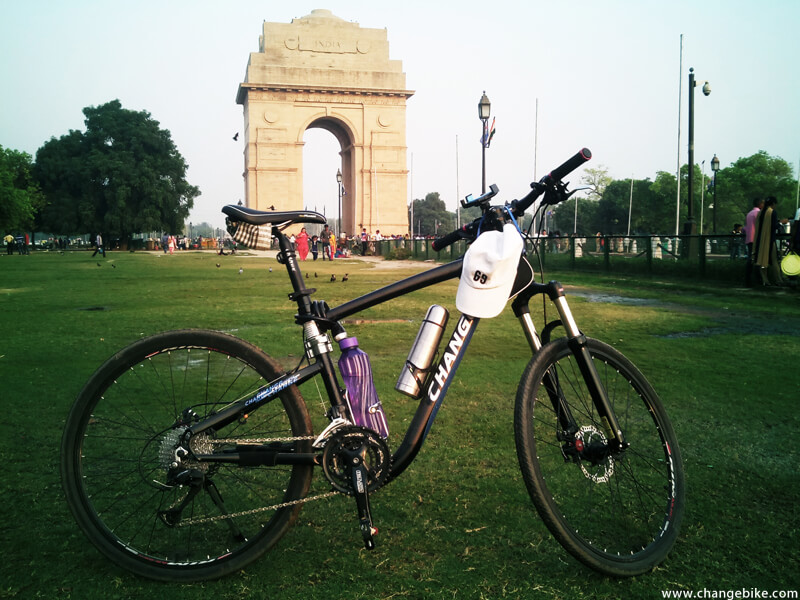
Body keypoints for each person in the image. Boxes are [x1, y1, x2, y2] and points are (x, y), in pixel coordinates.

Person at [753, 197, 784, 286]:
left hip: (759, 240)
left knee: (762, 260)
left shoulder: (760, 212)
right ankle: (778, 280)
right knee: (774, 261)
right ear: (773, 204)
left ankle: (765, 280)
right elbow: (774, 226)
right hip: (769, 240)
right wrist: (781, 224)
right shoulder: (772, 212)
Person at [744, 198, 763, 287]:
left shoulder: (749, 214)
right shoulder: (759, 213)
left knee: (750, 259)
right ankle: (758, 280)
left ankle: (748, 280)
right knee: (757, 260)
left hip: (749, 238)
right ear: (760, 204)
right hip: (756, 239)